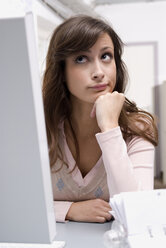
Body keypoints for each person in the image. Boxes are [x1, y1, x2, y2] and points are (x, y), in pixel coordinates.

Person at [42, 15, 158, 223]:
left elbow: (139, 213)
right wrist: (69, 210)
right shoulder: (42, 127)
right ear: (62, 71)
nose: (98, 72)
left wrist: (110, 128)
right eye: (81, 59)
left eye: (106, 56)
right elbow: (12, 202)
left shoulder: (138, 129)